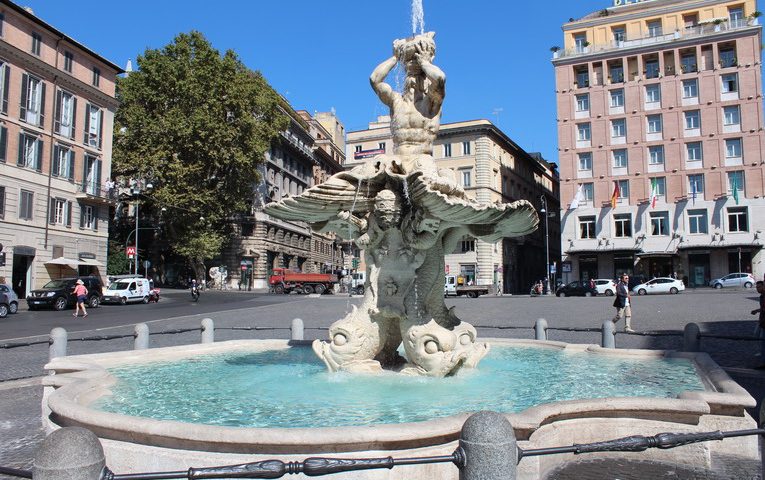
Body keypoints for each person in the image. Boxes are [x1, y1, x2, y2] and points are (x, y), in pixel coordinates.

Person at [753, 281, 765, 368]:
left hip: (764, 322)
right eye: (757, 287)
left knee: (762, 341)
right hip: (761, 321)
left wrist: (757, 311)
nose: (758, 289)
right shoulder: (762, 296)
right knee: (756, 335)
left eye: (759, 287)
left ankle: (763, 361)